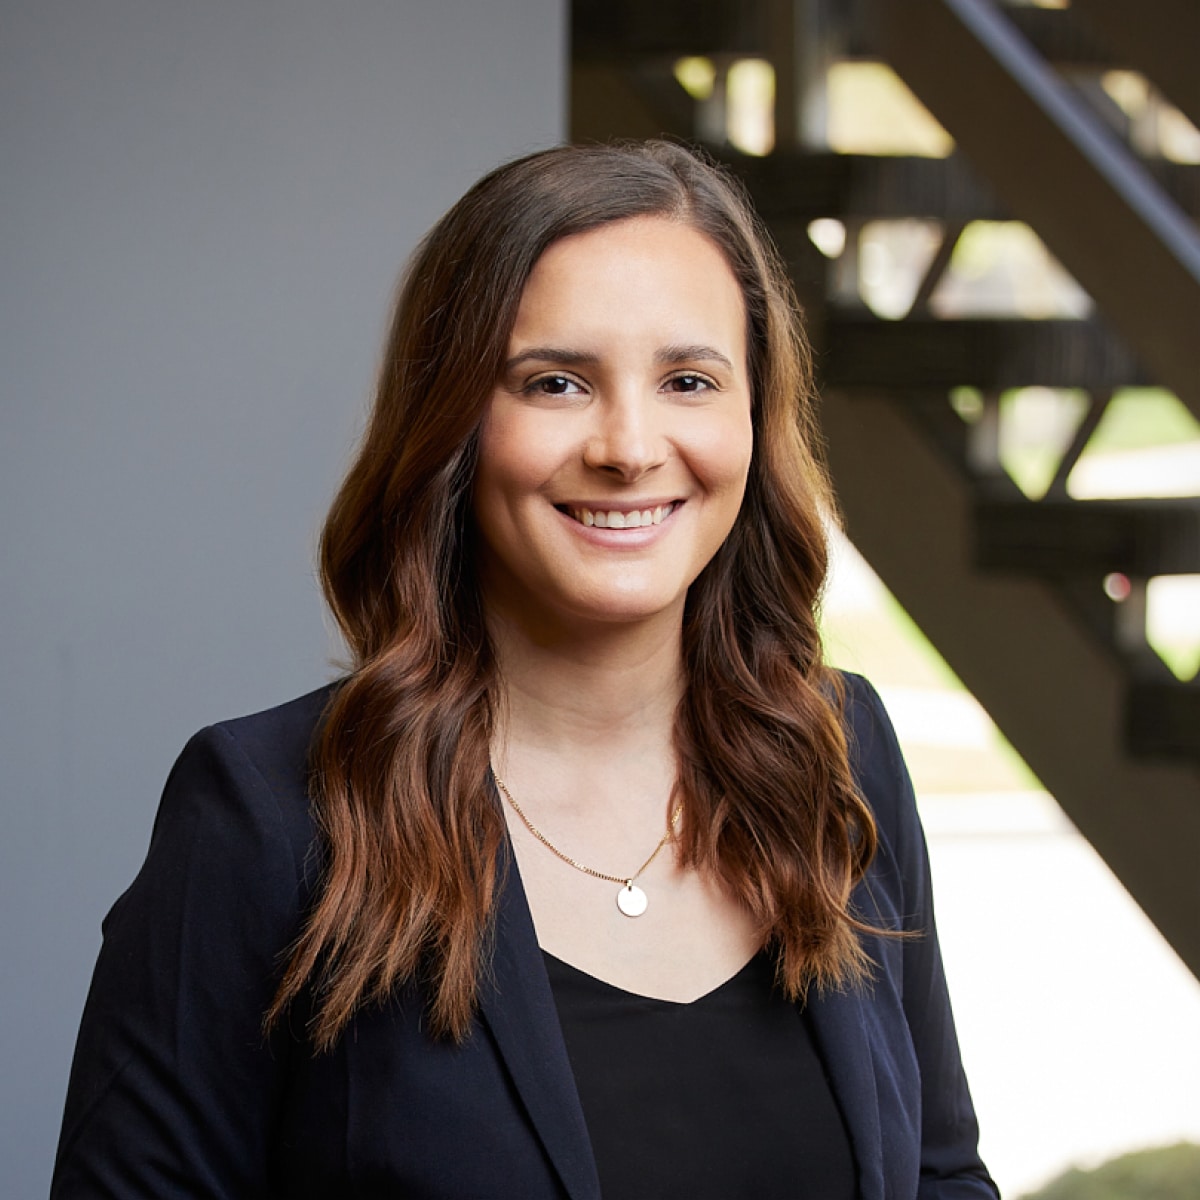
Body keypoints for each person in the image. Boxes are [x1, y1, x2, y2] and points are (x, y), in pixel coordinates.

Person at [52, 140, 997, 1199]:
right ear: (455, 420)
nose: (630, 446)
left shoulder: (837, 755)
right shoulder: (268, 816)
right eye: (555, 383)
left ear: (749, 417)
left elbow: (939, 1175)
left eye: (688, 379)